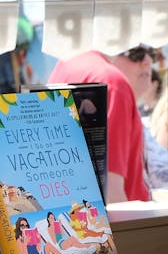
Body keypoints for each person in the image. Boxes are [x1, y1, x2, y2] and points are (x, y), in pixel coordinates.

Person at [49, 39, 154, 203]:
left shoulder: (66, 63)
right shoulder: (111, 82)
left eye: (150, 51)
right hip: (120, 223)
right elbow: (112, 192)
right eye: (135, 52)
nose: (148, 60)